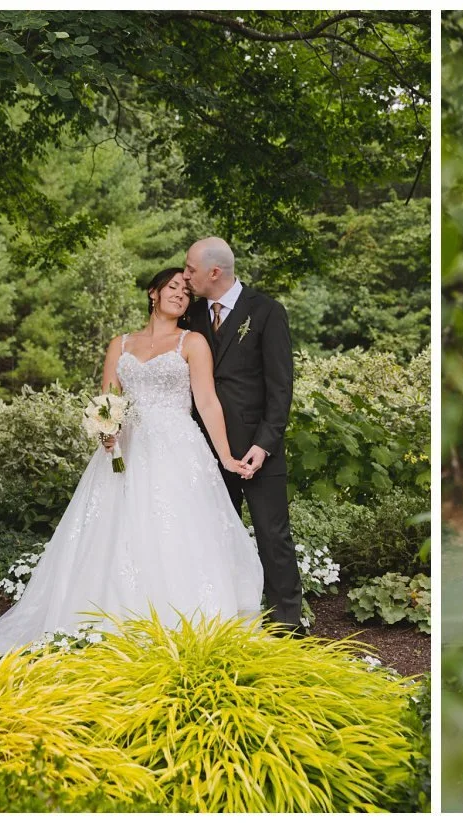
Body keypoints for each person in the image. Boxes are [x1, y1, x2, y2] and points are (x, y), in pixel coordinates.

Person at [0, 268, 264, 653]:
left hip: (177, 450)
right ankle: (108, 619)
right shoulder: (121, 344)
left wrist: (226, 456)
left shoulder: (192, 343)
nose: (180, 294)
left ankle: (184, 624)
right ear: (153, 293)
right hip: (125, 449)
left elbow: (207, 402)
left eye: (186, 291)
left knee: (175, 530)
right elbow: (107, 400)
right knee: (115, 531)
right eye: (172, 287)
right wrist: (105, 431)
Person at [181, 237, 304, 632]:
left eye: (190, 269)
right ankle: (227, 617)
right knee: (216, 535)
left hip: (257, 448)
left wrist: (263, 446)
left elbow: (280, 387)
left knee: (273, 535)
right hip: (205, 448)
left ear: (214, 273)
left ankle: (288, 621)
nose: (185, 277)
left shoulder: (267, 312)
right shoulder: (192, 317)